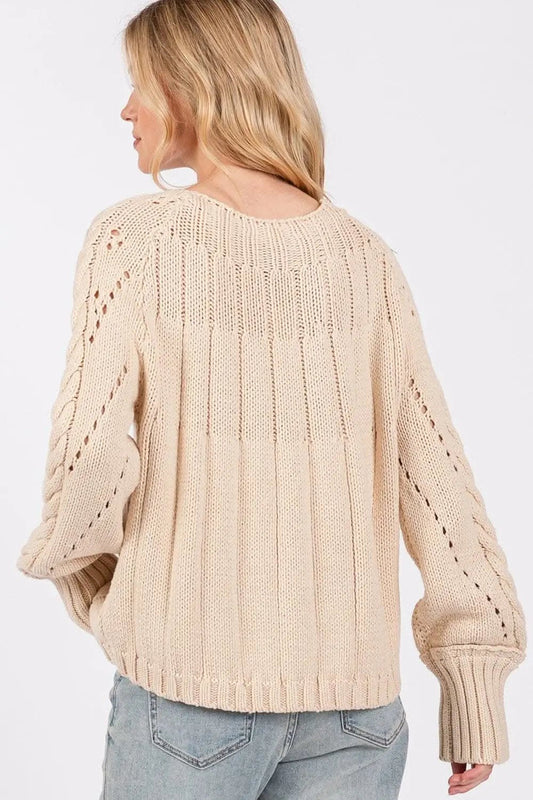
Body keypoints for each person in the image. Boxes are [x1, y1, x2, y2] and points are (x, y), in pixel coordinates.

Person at [15, 1, 527, 798]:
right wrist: (472, 684)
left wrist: (91, 582)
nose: (126, 110)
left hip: (187, 701)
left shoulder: (133, 240)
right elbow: (436, 481)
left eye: (138, 84)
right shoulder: (364, 257)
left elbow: (89, 461)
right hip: (357, 717)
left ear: (189, 86)